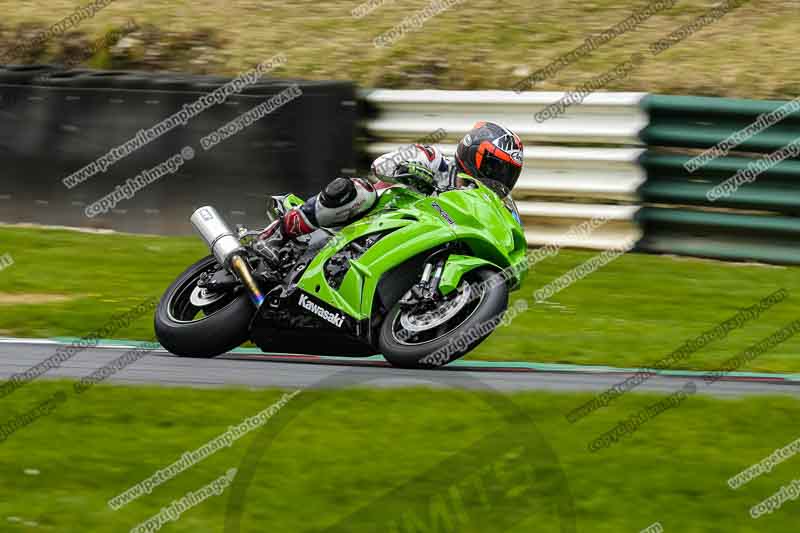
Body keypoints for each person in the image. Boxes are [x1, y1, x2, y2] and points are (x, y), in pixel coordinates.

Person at [256, 121, 524, 264]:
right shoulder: (435, 160)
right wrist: (413, 171)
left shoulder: (486, 205)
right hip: (372, 219)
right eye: (494, 167)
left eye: (506, 173)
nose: (498, 177)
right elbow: (381, 165)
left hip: (414, 242)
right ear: (473, 152)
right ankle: (280, 232)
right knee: (358, 191)